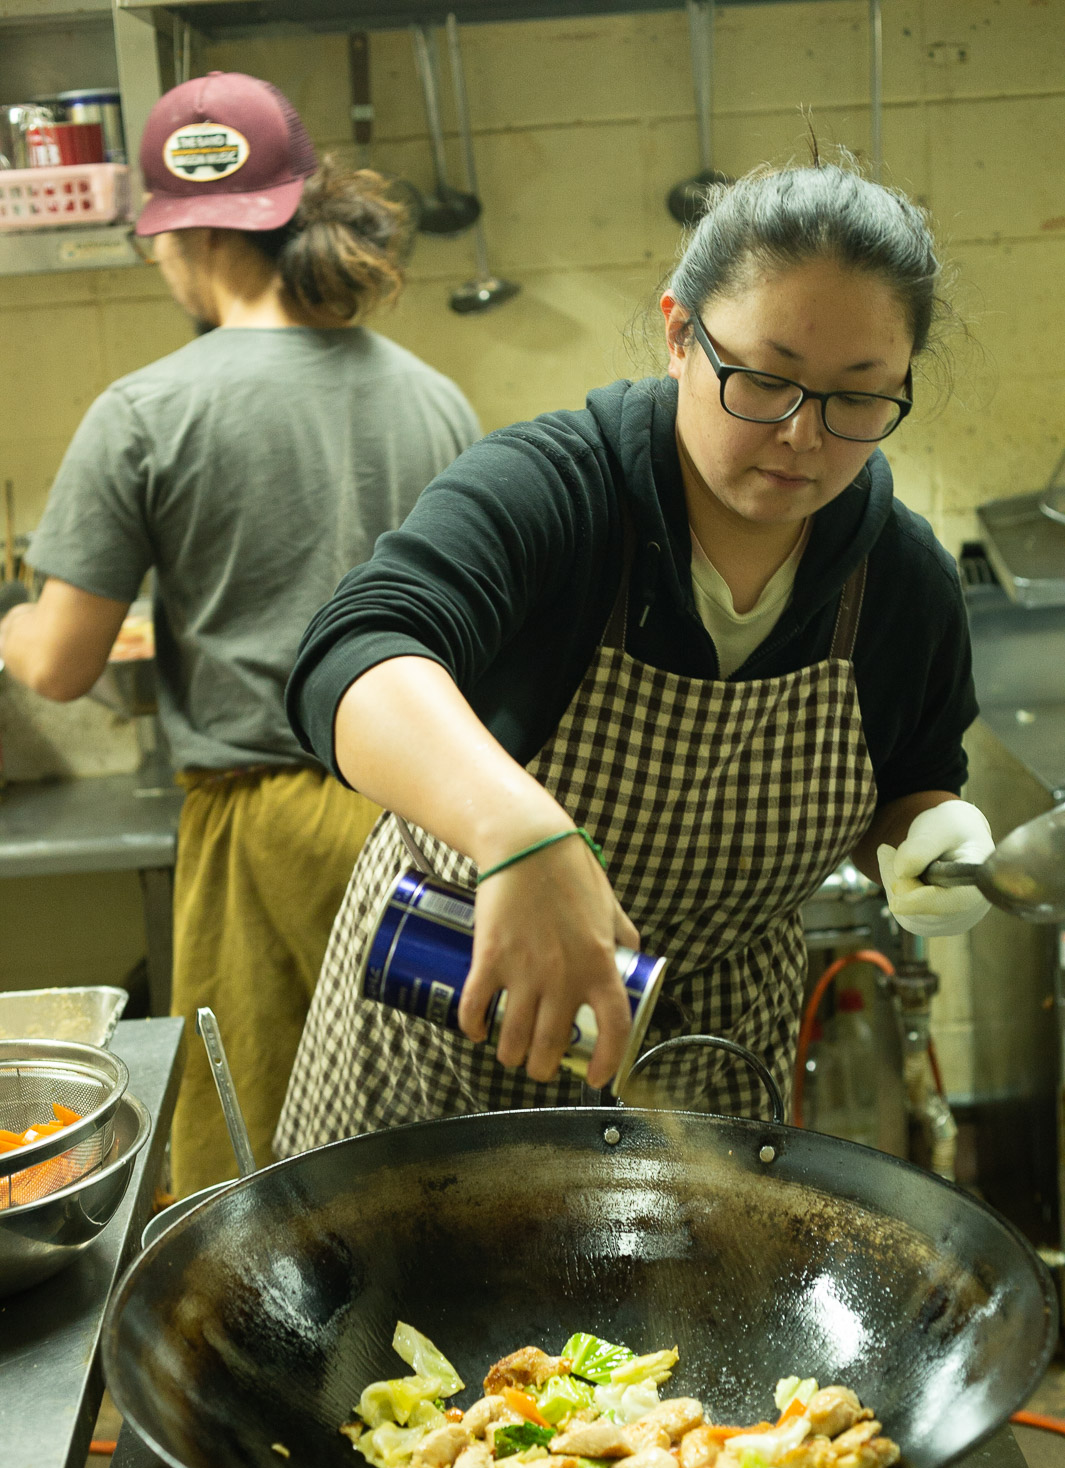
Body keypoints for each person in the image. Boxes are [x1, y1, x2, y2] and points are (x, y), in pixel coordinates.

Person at [273, 157, 995, 1154]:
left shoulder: (899, 582)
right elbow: (353, 654)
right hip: (446, 1065)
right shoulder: (557, 494)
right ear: (678, 335)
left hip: (701, 1092)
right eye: (764, 378)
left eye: (856, 399)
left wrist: (928, 841)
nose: (801, 436)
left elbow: (909, 783)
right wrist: (519, 831)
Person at [0, 71, 480, 1193]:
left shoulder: (147, 410)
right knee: (426, 1148)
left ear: (181, 236)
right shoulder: (432, 397)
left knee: (261, 1165)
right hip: (430, 816)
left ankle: (272, 1374)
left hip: (261, 834)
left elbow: (64, 662)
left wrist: (16, 623)